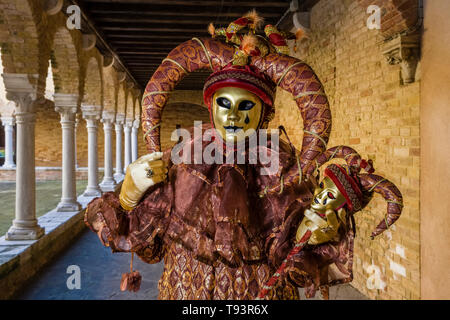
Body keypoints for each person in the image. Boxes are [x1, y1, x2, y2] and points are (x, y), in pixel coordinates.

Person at [84, 12, 402, 300]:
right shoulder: (183, 161)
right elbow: (144, 243)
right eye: (224, 103)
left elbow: (298, 264)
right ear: (211, 106)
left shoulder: (282, 167)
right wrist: (128, 195)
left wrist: (318, 229)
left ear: (265, 112)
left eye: (246, 105)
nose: (233, 115)